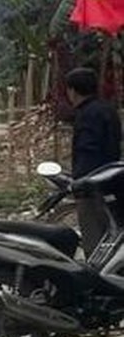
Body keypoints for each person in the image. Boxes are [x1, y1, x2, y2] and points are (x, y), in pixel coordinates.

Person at [67, 67, 123, 256]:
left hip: (92, 186)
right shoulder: (107, 109)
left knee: (94, 238)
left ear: (73, 91)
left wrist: (79, 183)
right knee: (113, 234)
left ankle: (98, 281)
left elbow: (87, 153)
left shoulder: (86, 116)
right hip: (113, 179)